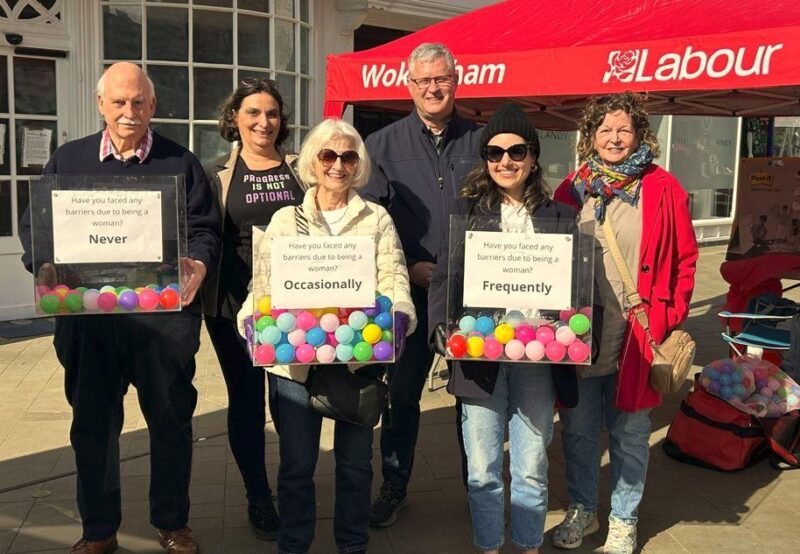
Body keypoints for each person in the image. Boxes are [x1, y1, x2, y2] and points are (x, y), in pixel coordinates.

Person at [19, 62, 220, 554]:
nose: (129, 111)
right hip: (88, 322)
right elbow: (36, 226)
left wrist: (198, 263)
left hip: (162, 323)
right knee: (92, 427)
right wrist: (42, 264)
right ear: (101, 104)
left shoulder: (181, 161)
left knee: (171, 423)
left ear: (152, 105)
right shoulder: (68, 159)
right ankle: (99, 530)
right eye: (118, 101)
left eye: (138, 102)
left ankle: (172, 522)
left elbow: (204, 228)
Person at [236, 118, 416, 554]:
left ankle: (352, 545)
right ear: (313, 161)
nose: (338, 165)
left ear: (358, 164)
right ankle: (294, 544)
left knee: (355, 465)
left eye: (348, 156)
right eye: (328, 155)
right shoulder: (286, 219)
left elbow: (394, 279)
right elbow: (262, 285)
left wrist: (399, 318)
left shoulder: (376, 217)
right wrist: (250, 320)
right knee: (297, 466)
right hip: (295, 364)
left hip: (358, 359)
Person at [551, 92, 698, 554]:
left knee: (631, 434)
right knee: (578, 431)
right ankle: (583, 509)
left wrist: (668, 315)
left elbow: (686, 260)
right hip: (581, 336)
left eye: (623, 130)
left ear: (639, 135)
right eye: (605, 130)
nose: (614, 139)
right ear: (590, 136)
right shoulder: (571, 189)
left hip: (638, 335)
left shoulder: (663, 187)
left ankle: (623, 518)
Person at [428, 102, 578, 554]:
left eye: (516, 152)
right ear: (485, 159)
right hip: (480, 355)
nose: (505, 161)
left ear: (533, 157)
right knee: (482, 469)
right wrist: (439, 325)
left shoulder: (560, 216)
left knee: (530, 466)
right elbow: (444, 278)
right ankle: (489, 546)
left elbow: (577, 285)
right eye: (495, 152)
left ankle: (528, 545)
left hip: (539, 355)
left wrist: (577, 328)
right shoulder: (466, 212)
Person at [361, 42, 482, 527]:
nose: (433, 88)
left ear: (456, 81)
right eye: (423, 80)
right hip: (410, 294)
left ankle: (479, 488)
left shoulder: (484, 141)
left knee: (473, 397)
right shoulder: (381, 146)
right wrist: (409, 264)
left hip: (470, 296)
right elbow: (372, 223)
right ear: (408, 85)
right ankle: (394, 485)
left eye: (441, 78)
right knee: (401, 396)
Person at [201, 78, 304, 540]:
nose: (265, 122)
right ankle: (257, 495)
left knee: (290, 401)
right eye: (254, 113)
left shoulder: (302, 169)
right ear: (235, 119)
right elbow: (205, 234)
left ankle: (293, 485)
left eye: (273, 113)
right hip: (234, 305)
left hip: (294, 306)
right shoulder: (217, 173)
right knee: (246, 400)